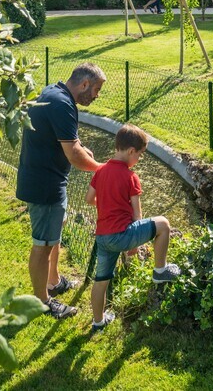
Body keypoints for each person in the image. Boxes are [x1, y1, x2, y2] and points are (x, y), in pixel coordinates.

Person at [16, 62, 106, 320]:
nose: (96, 96)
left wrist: (80, 149)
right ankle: (43, 300)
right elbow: (74, 155)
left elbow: (68, 142)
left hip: (46, 178)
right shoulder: (62, 104)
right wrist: (101, 169)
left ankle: (53, 281)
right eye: (97, 90)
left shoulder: (52, 93)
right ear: (85, 84)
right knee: (42, 245)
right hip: (45, 185)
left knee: (54, 234)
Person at [85, 123, 180, 333]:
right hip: (123, 235)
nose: (139, 159)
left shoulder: (100, 171)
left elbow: (89, 199)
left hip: (103, 238)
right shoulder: (131, 177)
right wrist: (135, 243)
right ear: (130, 151)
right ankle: (160, 270)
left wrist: (107, 203)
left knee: (101, 281)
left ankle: (98, 322)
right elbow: (137, 214)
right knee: (163, 224)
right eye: (140, 155)